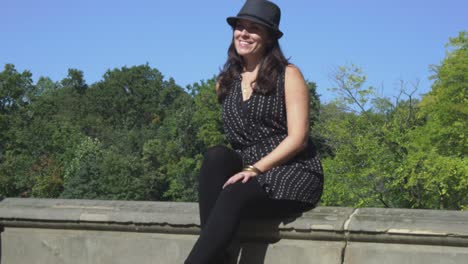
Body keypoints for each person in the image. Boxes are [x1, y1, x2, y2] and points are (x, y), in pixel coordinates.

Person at [184, 0, 323, 263]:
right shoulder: (226, 82)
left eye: (254, 29)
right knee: (215, 156)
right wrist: (246, 171)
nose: (244, 34)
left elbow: (298, 139)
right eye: (240, 27)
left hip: (291, 171)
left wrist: (254, 169)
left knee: (234, 191)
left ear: (269, 37)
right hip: (248, 174)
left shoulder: (288, 75)